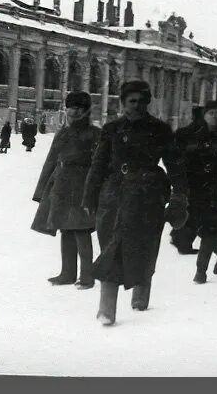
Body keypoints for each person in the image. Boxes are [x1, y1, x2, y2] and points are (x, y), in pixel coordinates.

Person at [81, 80, 189, 325]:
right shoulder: (112, 129)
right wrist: (89, 194)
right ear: (123, 103)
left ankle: (141, 294)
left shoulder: (160, 130)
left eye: (142, 101)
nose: (137, 106)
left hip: (147, 195)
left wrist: (179, 196)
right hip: (114, 193)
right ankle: (106, 308)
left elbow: (175, 166)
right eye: (132, 101)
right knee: (111, 246)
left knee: (144, 245)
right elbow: (98, 163)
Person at [32, 92, 100, 289]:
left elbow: (100, 164)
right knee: (65, 229)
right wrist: (41, 189)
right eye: (69, 108)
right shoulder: (63, 133)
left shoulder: (95, 134)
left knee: (82, 230)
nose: (72, 112)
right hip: (61, 187)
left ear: (86, 111)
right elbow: (51, 160)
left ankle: (87, 277)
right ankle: (67, 273)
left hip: (83, 187)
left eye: (77, 108)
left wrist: (96, 190)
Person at [184, 100, 217, 283]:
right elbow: (187, 160)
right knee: (202, 229)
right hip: (199, 190)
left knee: (210, 229)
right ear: (204, 115)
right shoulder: (196, 135)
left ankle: (201, 271)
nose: (214, 116)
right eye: (210, 112)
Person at [170, 106, 205, 255]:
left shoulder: (182, 132)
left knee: (187, 208)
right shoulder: (203, 135)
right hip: (197, 178)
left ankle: (177, 234)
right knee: (195, 211)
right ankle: (183, 242)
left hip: (183, 176)